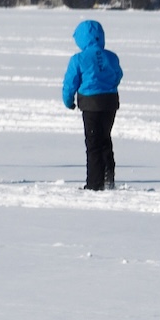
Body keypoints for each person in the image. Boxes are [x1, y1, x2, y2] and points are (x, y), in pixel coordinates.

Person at [60, 15, 124, 189]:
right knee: (105, 139)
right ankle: (108, 177)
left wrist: (68, 101)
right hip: (110, 102)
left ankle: (95, 184)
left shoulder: (78, 59)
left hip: (91, 104)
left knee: (93, 144)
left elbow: (70, 83)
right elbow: (118, 75)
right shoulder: (111, 56)